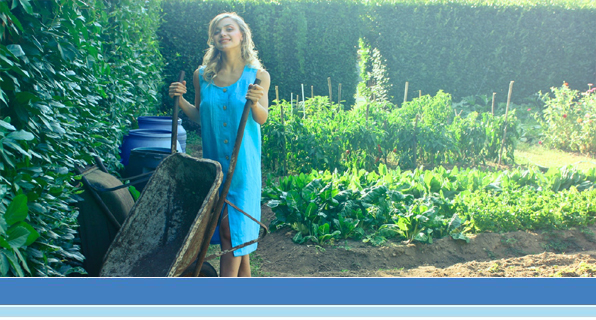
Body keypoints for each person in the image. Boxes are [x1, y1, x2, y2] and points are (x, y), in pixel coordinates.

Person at [168, 12, 270, 277]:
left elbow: (261, 118)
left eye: (229, 29)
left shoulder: (258, 76)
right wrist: (180, 101)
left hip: (243, 167)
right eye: (217, 31)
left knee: (229, 231)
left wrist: (256, 101)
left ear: (242, 35)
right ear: (212, 39)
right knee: (236, 240)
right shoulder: (202, 75)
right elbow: (202, 116)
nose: (223, 34)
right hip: (216, 167)